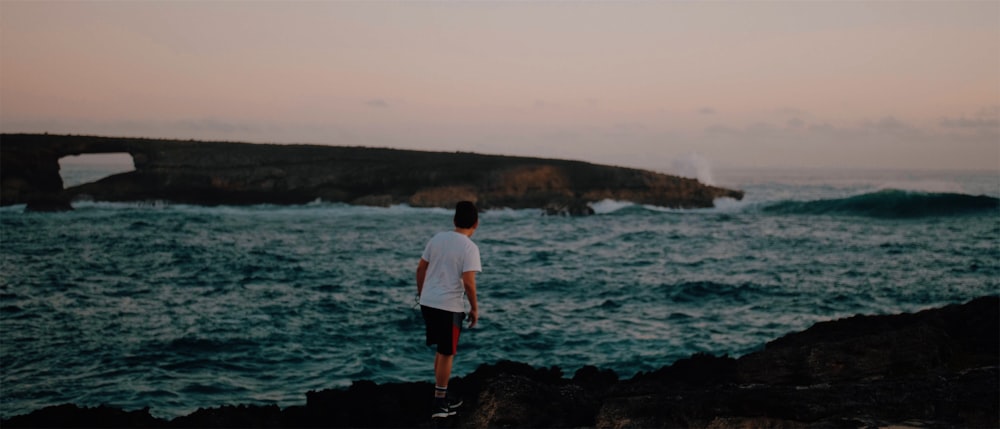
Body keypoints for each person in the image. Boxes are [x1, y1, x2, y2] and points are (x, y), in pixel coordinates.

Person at [416, 201, 481, 419]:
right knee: (447, 353)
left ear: (454, 220)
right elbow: (469, 283)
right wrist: (474, 308)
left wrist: (422, 293)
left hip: (428, 302)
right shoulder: (469, 247)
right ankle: (439, 404)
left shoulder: (437, 238)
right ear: (476, 224)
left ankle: (440, 396)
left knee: (441, 351)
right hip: (449, 307)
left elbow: (421, 268)